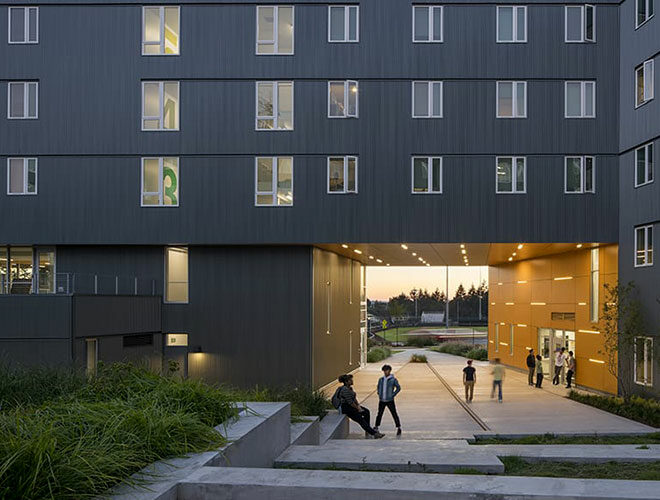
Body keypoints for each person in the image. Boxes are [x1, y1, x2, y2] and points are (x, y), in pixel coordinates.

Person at [336, 374, 384, 439]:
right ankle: (374, 433)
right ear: (346, 382)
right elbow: (350, 402)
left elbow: (354, 399)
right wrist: (358, 408)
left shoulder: (350, 388)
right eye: (350, 380)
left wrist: (358, 406)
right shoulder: (345, 390)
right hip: (346, 408)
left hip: (352, 406)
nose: (352, 381)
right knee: (360, 419)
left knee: (366, 412)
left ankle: (368, 430)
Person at [374, 364, 402, 436]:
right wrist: (379, 393)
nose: (385, 372)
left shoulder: (393, 380)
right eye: (384, 371)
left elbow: (398, 388)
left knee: (394, 413)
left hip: (390, 400)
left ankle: (398, 427)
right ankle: (376, 426)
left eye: (387, 370)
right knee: (379, 414)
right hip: (382, 400)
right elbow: (378, 386)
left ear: (389, 371)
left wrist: (393, 394)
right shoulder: (381, 379)